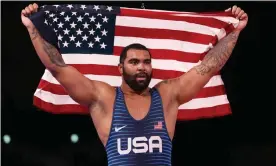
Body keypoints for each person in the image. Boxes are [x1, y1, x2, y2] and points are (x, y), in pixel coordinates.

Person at [21, 3, 248, 166]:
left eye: (146, 62)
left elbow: (208, 66)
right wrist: (33, 30)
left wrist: (235, 32)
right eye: (134, 62)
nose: (142, 67)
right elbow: (58, 67)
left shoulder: (167, 94)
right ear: (120, 68)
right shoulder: (105, 98)